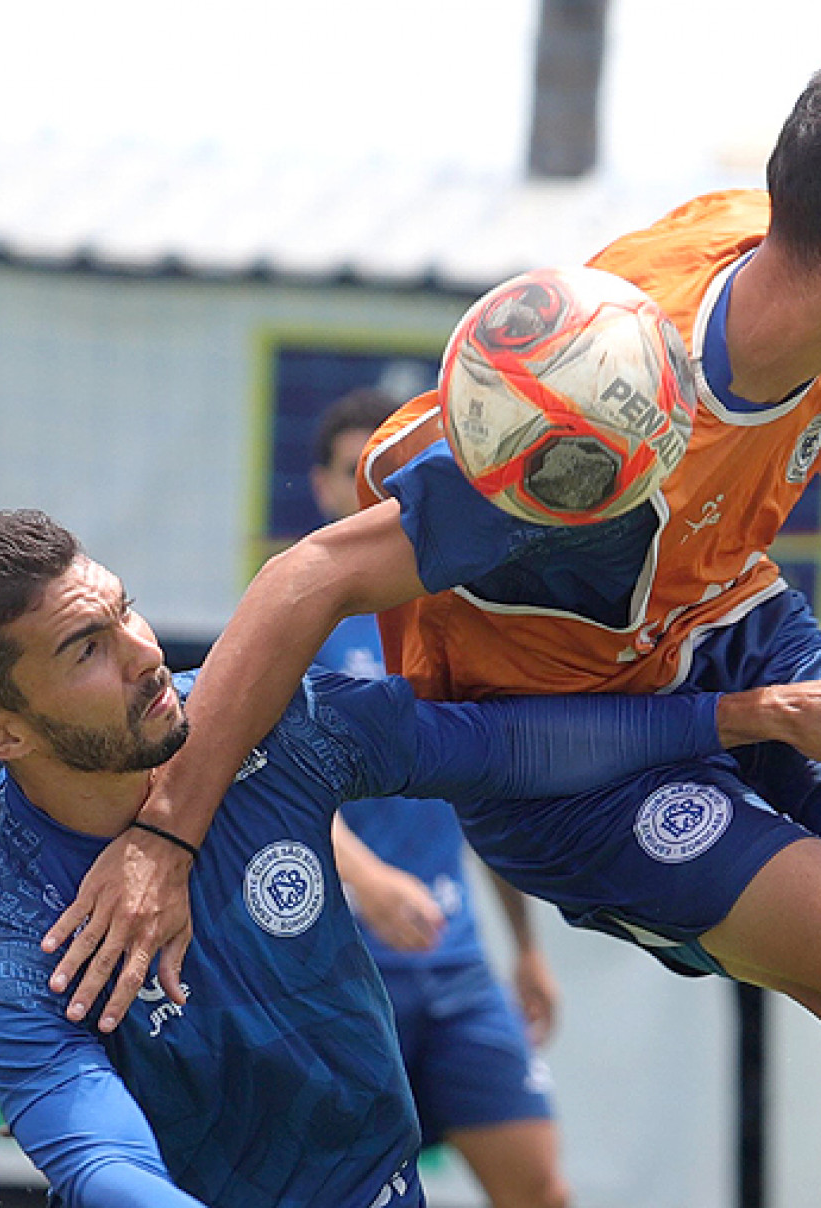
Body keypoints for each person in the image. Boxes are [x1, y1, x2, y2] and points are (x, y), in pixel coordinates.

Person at [49, 60, 821, 1208]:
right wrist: (167, 837)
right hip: (570, 749)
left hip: (730, 632)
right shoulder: (586, 422)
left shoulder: (787, 245)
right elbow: (307, 576)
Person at [0, 507, 821, 1208]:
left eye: (124, 610)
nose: (143, 653)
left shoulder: (268, 724)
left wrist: (761, 713)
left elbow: (507, 742)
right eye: (87, 648)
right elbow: (101, 1160)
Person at [312, 389, 570, 1208]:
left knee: (541, 1191)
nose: (382, 491)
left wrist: (524, 947)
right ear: (322, 487)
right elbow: (255, 775)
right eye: (359, 472)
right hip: (336, 973)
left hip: (456, 969)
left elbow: (489, 789)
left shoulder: (464, 610)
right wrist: (367, 880)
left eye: (398, 472)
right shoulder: (303, 612)